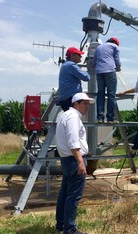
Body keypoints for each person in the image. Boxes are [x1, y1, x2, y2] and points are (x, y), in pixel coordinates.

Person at [55, 92, 94, 234]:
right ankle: (69, 229)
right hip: (73, 159)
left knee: (65, 193)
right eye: (84, 103)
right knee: (73, 195)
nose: (87, 107)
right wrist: (80, 162)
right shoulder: (73, 117)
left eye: (88, 104)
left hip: (67, 159)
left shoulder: (65, 115)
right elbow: (73, 141)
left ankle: (61, 225)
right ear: (75, 104)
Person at [93, 37, 121, 123]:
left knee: (100, 94)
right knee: (111, 95)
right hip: (110, 71)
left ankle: (100, 118)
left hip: (99, 72)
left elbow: (94, 62)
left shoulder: (99, 47)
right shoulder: (115, 47)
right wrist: (118, 68)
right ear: (116, 43)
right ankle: (110, 119)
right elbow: (117, 61)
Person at [56, 47, 91, 112]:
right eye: (79, 55)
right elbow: (86, 77)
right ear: (72, 55)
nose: (81, 56)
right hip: (70, 99)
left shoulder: (66, 65)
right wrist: (88, 72)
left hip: (66, 99)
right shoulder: (71, 65)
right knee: (73, 117)